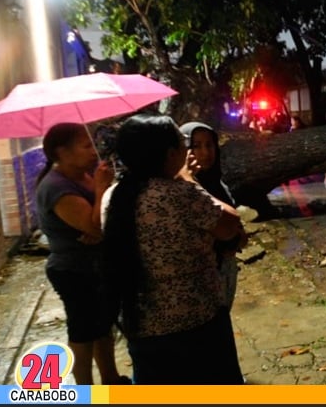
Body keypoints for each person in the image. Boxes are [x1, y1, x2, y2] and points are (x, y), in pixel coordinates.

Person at [101, 114, 246, 384]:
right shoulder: (178, 193)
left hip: (142, 326)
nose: (190, 151)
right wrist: (188, 179)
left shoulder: (113, 196)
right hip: (196, 323)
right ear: (169, 155)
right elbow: (230, 225)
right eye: (183, 144)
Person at [34, 123, 130, 385]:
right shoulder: (56, 188)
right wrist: (100, 191)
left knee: (102, 326)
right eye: (85, 145)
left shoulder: (84, 174)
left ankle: (110, 378)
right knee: (83, 332)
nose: (93, 150)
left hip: (94, 264)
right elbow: (94, 225)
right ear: (62, 153)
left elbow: (98, 223)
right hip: (73, 270)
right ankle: (84, 389)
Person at [179, 122, 249, 311]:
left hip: (225, 270)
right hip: (200, 278)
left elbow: (236, 230)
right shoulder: (181, 189)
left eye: (209, 145)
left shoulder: (218, 183)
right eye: (196, 146)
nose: (205, 152)